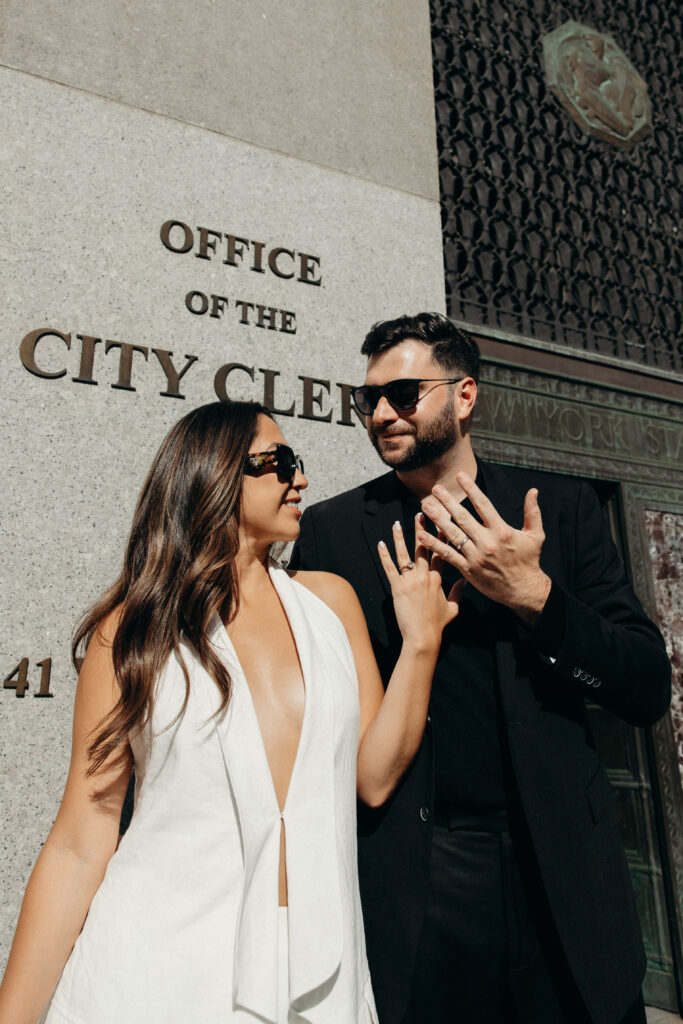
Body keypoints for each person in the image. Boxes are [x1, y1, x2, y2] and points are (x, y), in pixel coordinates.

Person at [0, 400, 462, 1024]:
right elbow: (80, 843)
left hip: (320, 976)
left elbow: (374, 778)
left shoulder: (330, 602)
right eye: (280, 462)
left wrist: (422, 643)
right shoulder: (133, 632)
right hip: (153, 976)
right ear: (213, 474)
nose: (301, 479)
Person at [290, 313, 672, 1024]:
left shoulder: (559, 511)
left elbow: (646, 687)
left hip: (560, 861)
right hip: (417, 867)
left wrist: (536, 598)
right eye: (368, 398)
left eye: (404, 394)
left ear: (464, 395)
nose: (381, 413)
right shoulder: (331, 532)